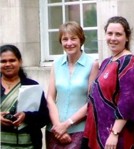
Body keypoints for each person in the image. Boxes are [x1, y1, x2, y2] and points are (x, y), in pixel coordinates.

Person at [82, 16, 134, 149]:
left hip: (114, 136)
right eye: (110, 33)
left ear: (127, 37)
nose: (113, 38)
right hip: (97, 132)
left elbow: (128, 101)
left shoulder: (128, 63)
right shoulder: (106, 62)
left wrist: (114, 133)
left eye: (118, 34)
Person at [46, 21, 99, 149]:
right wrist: (58, 126)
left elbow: (91, 102)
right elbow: (50, 98)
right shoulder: (56, 64)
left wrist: (66, 125)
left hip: (79, 131)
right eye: (65, 39)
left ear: (81, 40)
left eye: (73, 38)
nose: (69, 43)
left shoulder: (93, 64)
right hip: (54, 131)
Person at [0, 44, 49, 149]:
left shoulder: (32, 86)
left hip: (28, 145)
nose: (8, 64)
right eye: (3, 61)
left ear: (20, 61)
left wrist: (26, 116)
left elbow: (44, 117)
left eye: (12, 60)